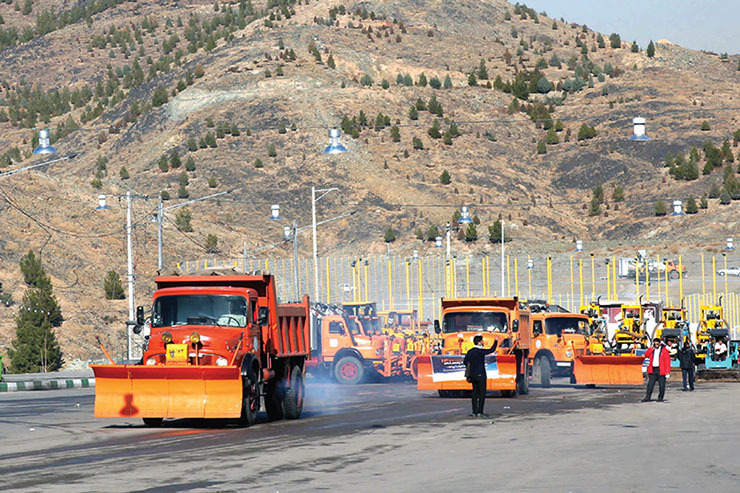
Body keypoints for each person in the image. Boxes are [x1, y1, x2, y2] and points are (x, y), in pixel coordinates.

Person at [463, 335, 498, 418]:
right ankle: (480, 412)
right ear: (479, 342)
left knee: (474, 393)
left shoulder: (470, 351)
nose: (483, 342)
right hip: (481, 374)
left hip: (472, 375)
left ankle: (474, 412)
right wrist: (496, 341)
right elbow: (491, 350)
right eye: (482, 341)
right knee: (482, 393)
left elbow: (465, 361)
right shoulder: (480, 351)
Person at [642, 337, 671, 402]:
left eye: (657, 344)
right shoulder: (652, 350)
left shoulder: (664, 350)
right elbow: (646, 355)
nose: (656, 346)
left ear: (660, 344)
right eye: (655, 344)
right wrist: (651, 348)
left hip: (661, 370)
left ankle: (660, 398)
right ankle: (647, 397)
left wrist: (667, 372)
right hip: (653, 369)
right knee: (650, 385)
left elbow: (667, 361)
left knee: (662, 386)